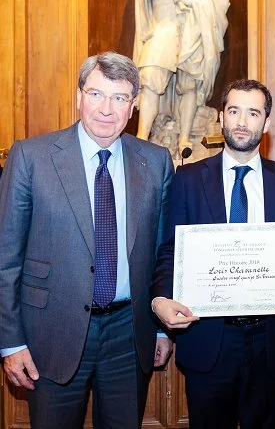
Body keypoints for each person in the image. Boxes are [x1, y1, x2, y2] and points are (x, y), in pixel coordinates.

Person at [0, 51, 174, 428]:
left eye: (119, 97)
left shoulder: (156, 161)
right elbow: (6, 257)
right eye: (96, 94)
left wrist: (160, 327)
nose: (106, 109)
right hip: (50, 335)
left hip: (129, 335)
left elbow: (164, 252)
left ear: (134, 106)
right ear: (79, 95)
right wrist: (11, 342)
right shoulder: (31, 157)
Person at [151, 78, 275, 429]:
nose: (242, 121)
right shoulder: (187, 179)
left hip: (270, 341)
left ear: (266, 123)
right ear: (221, 118)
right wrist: (162, 298)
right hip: (208, 339)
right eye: (234, 111)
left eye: (253, 113)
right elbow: (169, 252)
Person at [134, 0, 229, 158]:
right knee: (150, 76)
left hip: (192, 26)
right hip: (163, 25)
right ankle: (142, 136)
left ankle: (184, 138)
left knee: (189, 82)